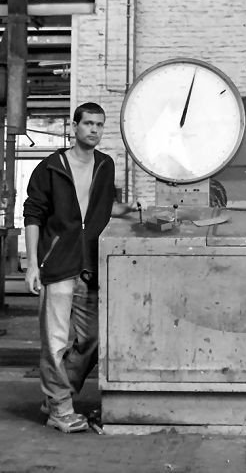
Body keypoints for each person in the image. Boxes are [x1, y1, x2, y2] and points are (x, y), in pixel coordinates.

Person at [23, 102, 134, 433]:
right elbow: (33, 215)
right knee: (55, 341)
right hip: (57, 264)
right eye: (88, 124)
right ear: (74, 127)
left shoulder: (105, 164)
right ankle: (59, 408)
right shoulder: (50, 167)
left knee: (93, 340)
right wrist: (32, 264)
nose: (94, 130)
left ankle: (58, 396)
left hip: (90, 263)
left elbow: (100, 209)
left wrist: (137, 209)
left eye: (99, 125)